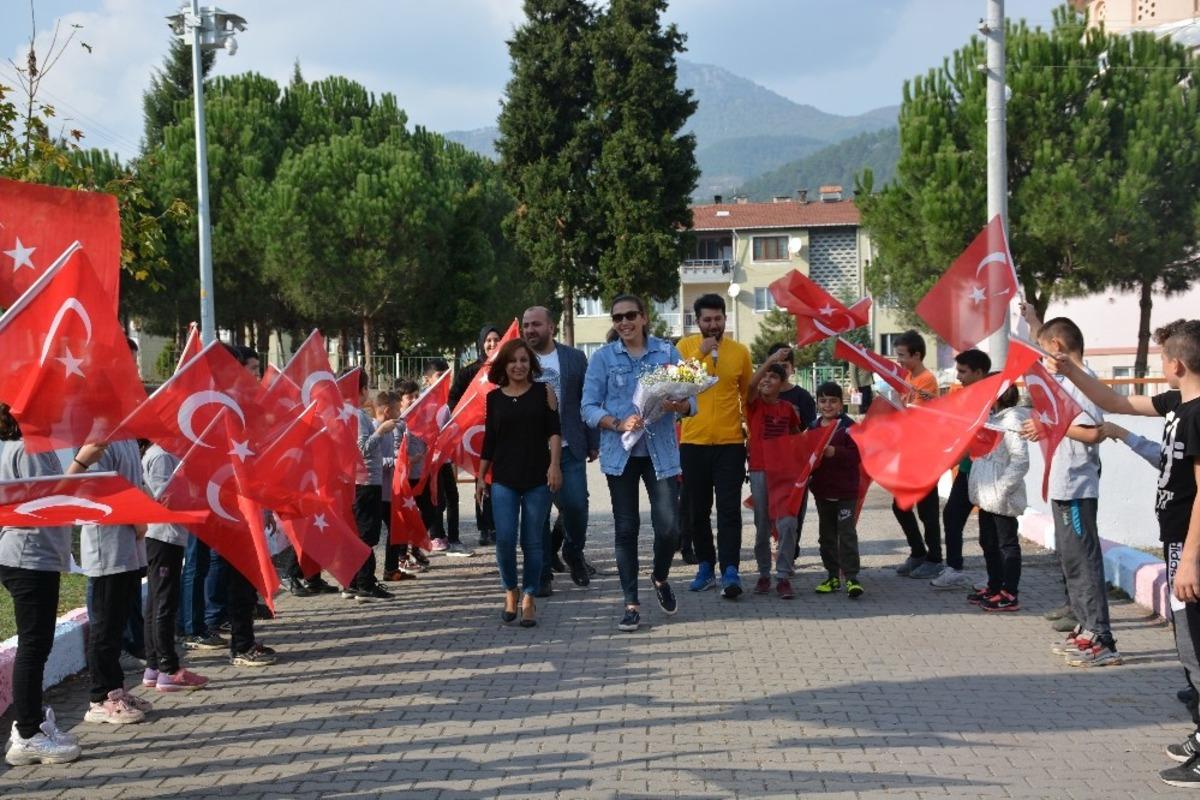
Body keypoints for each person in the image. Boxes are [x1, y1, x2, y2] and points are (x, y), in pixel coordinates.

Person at [1049, 319, 1200, 786]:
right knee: (1188, 643)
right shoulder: (1177, 401)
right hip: (1177, 541)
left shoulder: (1198, 413)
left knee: (1195, 644)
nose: (1159, 367)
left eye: (1161, 360)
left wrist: (1190, 558)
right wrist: (1068, 370)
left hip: (1189, 547)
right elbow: (1114, 401)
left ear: (1175, 363)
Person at [582, 294, 691, 632]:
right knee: (626, 530)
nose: (624, 323)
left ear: (644, 317)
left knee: (670, 528)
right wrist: (616, 423)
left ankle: (659, 577)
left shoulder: (667, 352)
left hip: (662, 455)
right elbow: (587, 407)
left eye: (630, 315)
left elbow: (691, 402)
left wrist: (679, 406)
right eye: (617, 318)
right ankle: (630, 603)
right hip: (621, 455)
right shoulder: (602, 358)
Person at [1021, 316, 1117, 664]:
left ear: (1057, 347)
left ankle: (1101, 636)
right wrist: (1032, 323)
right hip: (1065, 484)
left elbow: (1092, 431)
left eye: (1045, 350)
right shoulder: (1066, 382)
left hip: (1078, 485)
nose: (1043, 358)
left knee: (1084, 561)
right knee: (1071, 560)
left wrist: (1045, 424)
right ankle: (1085, 628)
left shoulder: (1083, 382)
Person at [1, 403, 83, 764]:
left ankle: (32, 724)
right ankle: (28, 732)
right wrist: (83, 464)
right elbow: (51, 501)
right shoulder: (27, 450)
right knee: (34, 646)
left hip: (35, 555)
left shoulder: (34, 449)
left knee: (39, 644)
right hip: (28, 556)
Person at [477, 339, 562, 629]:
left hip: (538, 477)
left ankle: (529, 597)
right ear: (504, 365)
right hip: (504, 479)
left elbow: (554, 432)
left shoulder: (544, 392)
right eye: (513, 360)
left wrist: (554, 465)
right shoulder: (494, 398)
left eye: (524, 360)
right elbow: (490, 440)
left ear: (531, 364)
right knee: (505, 538)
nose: (519, 366)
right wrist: (480, 476)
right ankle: (510, 590)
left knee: (533, 541)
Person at [69, 434, 151, 724]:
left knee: (115, 626)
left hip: (129, 544)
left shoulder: (126, 438)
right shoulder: (98, 440)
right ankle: (100, 697)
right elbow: (96, 492)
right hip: (108, 547)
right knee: (104, 628)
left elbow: (134, 483)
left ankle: (117, 689)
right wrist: (137, 517)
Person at [678, 293, 753, 599]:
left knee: (728, 511)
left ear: (725, 319)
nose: (713, 325)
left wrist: (753, 437)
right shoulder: (684, 348)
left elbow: (747, 397)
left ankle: (731, 570)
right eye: (706, 320)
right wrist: (700, 353)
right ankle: (706, 566)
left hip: (730, 444)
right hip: (693, 442)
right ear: (697, 322)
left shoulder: (739, 352)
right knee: (697, 511)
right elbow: (679, 384)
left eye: (718, 319)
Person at [522, 306, 598, 594]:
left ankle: (573, 551)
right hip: (531, 452)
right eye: (526, 325)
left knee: (576, 506)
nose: (530, 330)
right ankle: (542, 573)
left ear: (551, 327)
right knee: (537, 513)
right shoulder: (519, 358)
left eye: (536, 324)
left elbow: (586, 399)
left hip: (569, 447)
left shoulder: (574, 358)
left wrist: (593, 440)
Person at [142, 442, 210, 692]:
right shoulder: (161, 456)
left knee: (157, 603)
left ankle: (154, 666)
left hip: (167, 536)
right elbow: (166, 498)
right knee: (164, 603)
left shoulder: (167, 454)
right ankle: (168, 668)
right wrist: (196, 495)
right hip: (163, 536)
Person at [930, 349, 992, 590]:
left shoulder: (990, 399)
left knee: (989, 529)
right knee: (952, 516)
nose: (959, 377)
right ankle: (954, 568)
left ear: (979, 372)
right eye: (958, 371)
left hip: (987, 474)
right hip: (967, 470)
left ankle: (995, 575)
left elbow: (972, 441)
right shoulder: (968, 397)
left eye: (963, 372)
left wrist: (944, 464)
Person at [967, 381, 1029, 612]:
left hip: (1000, 496)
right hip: (987, 496)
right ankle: (994, 585)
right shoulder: (993, 418)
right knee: (989, 543)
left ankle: (1009, 592)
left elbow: (1020, 460)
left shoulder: (1011, 421)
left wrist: (1002, 488)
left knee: (1006, 545)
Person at [746, 356, 802, 597]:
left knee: (788, 523)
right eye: (764, 376)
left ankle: (783, 576)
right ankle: (763, 574)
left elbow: (797, 436)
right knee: (762, 525)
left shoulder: (788, 409)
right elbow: (749, 386)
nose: (767, 379)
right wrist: (769, 362)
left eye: (774, 376)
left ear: (783, 383)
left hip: (784, 473)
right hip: (760, 470)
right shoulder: (754, 404)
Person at [891, 329, 944, 580]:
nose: (898, 360)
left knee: (927, 509)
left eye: (901, 355)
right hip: (909, 452)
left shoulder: (926, 381)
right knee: (900, 506)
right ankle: (918, 552)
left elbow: (916, 417)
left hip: (925, 454)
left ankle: (934, 558)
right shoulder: (909, 377)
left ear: (917, 354)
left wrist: (896, 406)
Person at [809, 382, 864, 598]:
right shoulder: (812, 427)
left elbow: (856, 456)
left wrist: (835, 452)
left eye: (833, 401)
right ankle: (832, 576)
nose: (828, 405)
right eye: (823, 401)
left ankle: (851, 578)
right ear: (817, 403)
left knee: (847, 534)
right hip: (823, 493)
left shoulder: (849, 427)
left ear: (841, 404)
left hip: (846, 493)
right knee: (827, 537)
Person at [348, 368, 397, 602]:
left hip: (367, 481)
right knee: (367, 535)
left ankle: (355, 582)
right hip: (365, 482)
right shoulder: (356, 415)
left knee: (362, 533)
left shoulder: (355, 414)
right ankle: (365, 583)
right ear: (361, 389)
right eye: (366, 387)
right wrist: (381, 431)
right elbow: (361, 450)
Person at [452, 328, 503, 549]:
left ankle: (499, 526)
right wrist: (461, 421)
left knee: (501, 481)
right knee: (481, 480)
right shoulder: (469, 372)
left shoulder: (508, 368)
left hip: (503, 433)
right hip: (477, 436)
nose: (492, 344)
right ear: (481, 343)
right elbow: (453, 398)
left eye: (496, 340)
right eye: (488, 340)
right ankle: (483, 528)